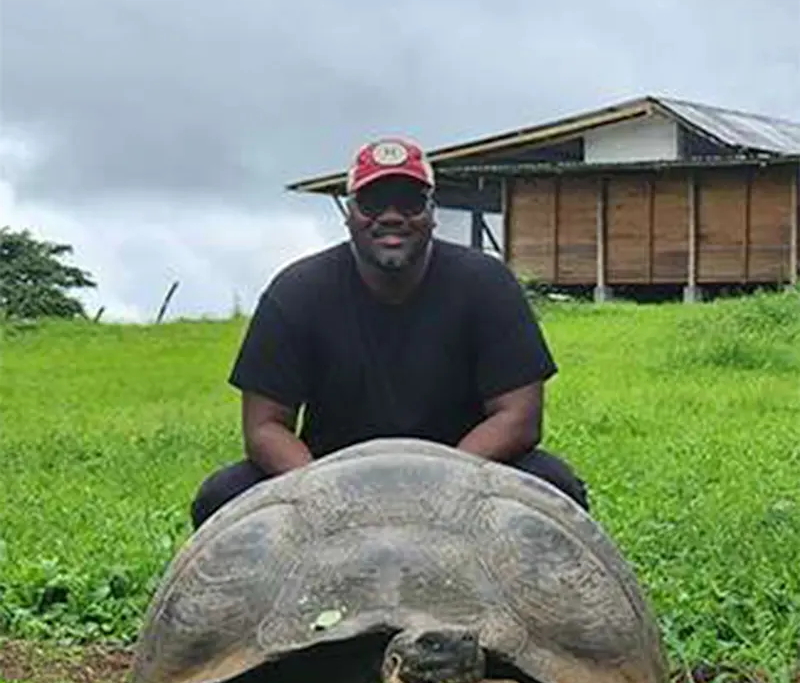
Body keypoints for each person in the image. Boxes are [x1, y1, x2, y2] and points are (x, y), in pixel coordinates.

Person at [191, 136, 588, 528]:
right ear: (349, 213)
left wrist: (440, 483)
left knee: (557, 488)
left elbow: (520, 417)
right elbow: (264, 427)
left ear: (432, 212)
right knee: (221, 497)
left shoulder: (487, 285)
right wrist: (325, 492)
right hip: (330, 474)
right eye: (373, 202)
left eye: (410, 201)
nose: (392, 216)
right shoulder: (296, 293)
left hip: (465, 470)